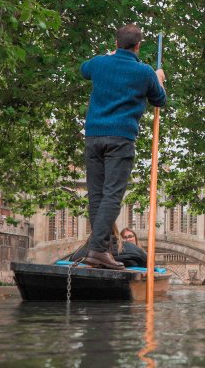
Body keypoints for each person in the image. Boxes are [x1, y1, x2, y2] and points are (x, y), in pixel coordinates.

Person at [79, 24, 166, 269]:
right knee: (112, 195)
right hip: (121, 139)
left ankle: (101, 250)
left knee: (96, 195)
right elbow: (160, 99)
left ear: (116, 43)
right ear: (138, 46)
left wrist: (108, 56)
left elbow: (83, 70)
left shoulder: (99, 63)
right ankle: (98, 250)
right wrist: (159, 80)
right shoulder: (145, 72)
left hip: (93, 136)